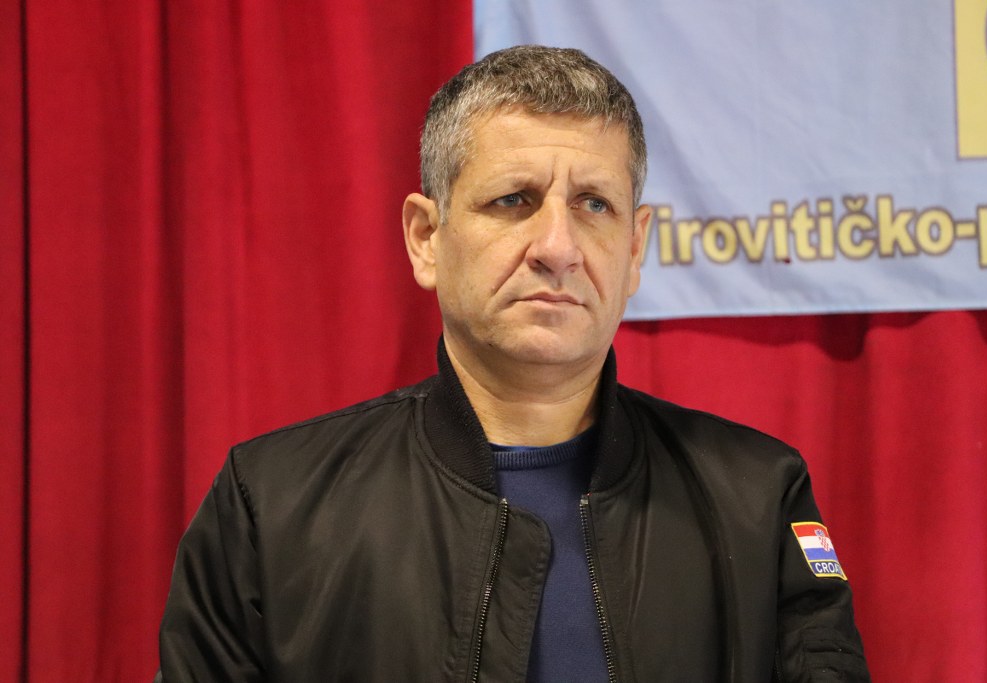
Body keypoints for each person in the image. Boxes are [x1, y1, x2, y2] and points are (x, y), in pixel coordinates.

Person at [156, 45, 869, 682]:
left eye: (594, 204)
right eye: (513, 200)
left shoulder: (760, 496)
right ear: (426, 238)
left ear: (634, 248)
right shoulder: (269, 504)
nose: (557, 246)